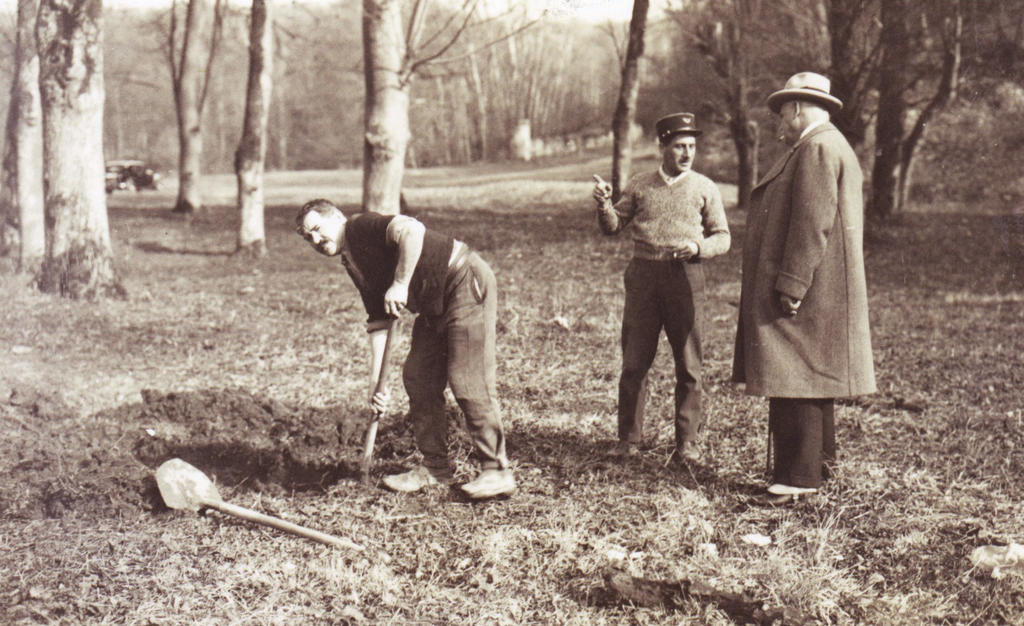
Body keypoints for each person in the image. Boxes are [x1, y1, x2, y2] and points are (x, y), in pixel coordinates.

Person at [295, 199, 515, 499]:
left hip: (462, 281)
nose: (316, 241)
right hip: (433, 305)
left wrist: (400, 284)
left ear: (336, 217)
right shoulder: (353, 262)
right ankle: (436, 469)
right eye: (309, 238)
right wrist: (376, 387)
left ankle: (496, 471)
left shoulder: (360, 227)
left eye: (317, 230)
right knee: (418, 377)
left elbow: (411, 230)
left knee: (467, 378)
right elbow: (378, 323)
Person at [732, 72, 876, 505]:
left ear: (797, 108)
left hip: (808, 287)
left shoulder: (815, 148)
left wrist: (792, 283)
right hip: (823, 287)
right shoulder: (830, 145)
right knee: (812, 376)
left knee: (792, 373)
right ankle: (819, 467)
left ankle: (796, 481)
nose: (778, 123)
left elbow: (813, 225)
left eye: (781, 113)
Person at [592, 113, 730, 465]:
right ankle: (628, 439)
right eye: (680, 146)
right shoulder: (640, 184)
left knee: (689, 364)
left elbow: (722, 237)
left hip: (685, 278)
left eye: (692, 147)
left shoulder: (704, 187)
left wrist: (698, 249)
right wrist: (605, 204)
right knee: (635, 361)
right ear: (663, 147)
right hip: (643, 277)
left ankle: (687, 444)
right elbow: (613, 226)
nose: (687, 153)